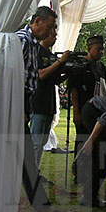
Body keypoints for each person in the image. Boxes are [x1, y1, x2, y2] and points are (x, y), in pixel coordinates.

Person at [15, 6, 69, 212]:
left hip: (20, 106)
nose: (49, 33)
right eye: (47, 27)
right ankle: (43, 211)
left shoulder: (32, 44)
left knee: (24, 161)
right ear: (37, 21)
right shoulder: (22, 40)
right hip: (13, 106)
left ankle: (42, 210)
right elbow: (12, 75)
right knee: (26, 160)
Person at [30, 28, 68, 164]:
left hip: (49, 103)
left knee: (42, 141)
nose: (55, 38)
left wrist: (68, 71)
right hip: (39, 102)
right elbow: (41, 74)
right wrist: (59, 62)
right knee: (35, 141)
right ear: (45, 35)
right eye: (53, 35)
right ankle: (31, 175)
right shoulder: (37, 52)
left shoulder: (50, 55)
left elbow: (55, 80)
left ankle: (36, 172)